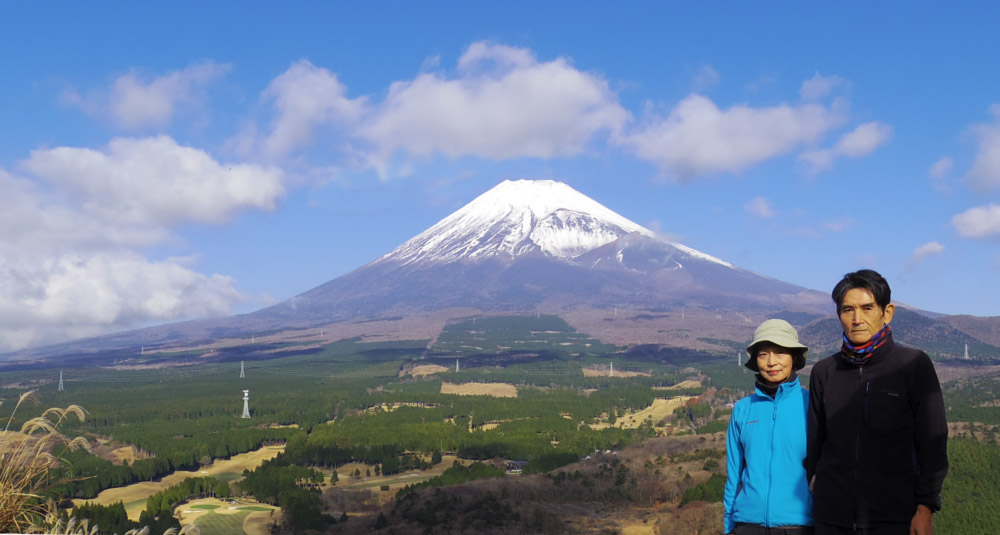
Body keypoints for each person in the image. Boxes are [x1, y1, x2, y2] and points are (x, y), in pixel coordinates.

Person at [805, 269, 948, 534]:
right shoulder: (824, 372)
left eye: (867, 308)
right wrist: (816, 482)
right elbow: (816, 440)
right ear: (838, 315)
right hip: (831, 519)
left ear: (887, 312)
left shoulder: (913, 365)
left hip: (895, 518)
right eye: (848, 310)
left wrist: (925, 508)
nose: (857, 319)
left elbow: (933, 441)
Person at [724, 319, 813, 535]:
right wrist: (728, 525)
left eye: (780, 352)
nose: (772, 362)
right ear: (756, 361)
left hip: (799, 526)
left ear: (794, 357)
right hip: (747, 524)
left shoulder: (812, 404)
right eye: (764, 354)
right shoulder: (743, 409)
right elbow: (733, 474)